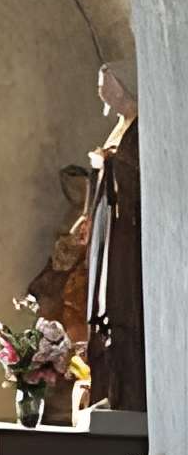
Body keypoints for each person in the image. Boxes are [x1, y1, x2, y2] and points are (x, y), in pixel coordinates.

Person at [85, 60, 145, 415]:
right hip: (107, 225)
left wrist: (109, 162)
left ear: (122, 86)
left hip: (125, 230)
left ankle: (127, 393)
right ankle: (106, 389)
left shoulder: (140, 126)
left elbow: (137, 173)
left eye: (105, 84)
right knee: (100, 303)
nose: (101, 92)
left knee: (120, 300)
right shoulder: (119, 126)